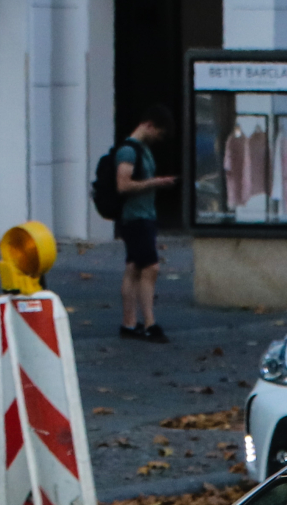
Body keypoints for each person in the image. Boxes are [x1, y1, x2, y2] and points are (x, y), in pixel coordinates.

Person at [114, 105, 177, 342]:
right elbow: (124, 185)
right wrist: (155, 183)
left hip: (140, 216)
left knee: (134, 267)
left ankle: (129, 323)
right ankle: (149, 322)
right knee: (151, 268)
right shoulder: (129, 152)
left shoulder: (140, 150)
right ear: (148, 125)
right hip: (137, 216)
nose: (158, 138)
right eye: (158, 133)